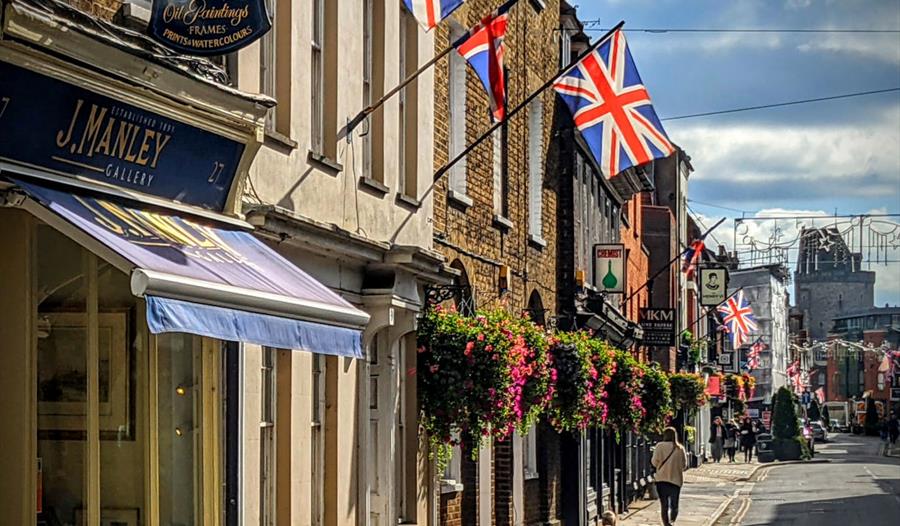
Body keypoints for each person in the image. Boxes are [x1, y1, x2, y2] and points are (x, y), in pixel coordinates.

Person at [653, 427, 688, 526]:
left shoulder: (659, 446)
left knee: (664, 505)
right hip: (675, 481)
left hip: (661, 480)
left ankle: (666, 524)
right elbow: (684, 465)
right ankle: (672, 521)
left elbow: (654, 462)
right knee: (674, 505)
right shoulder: (680, 448)